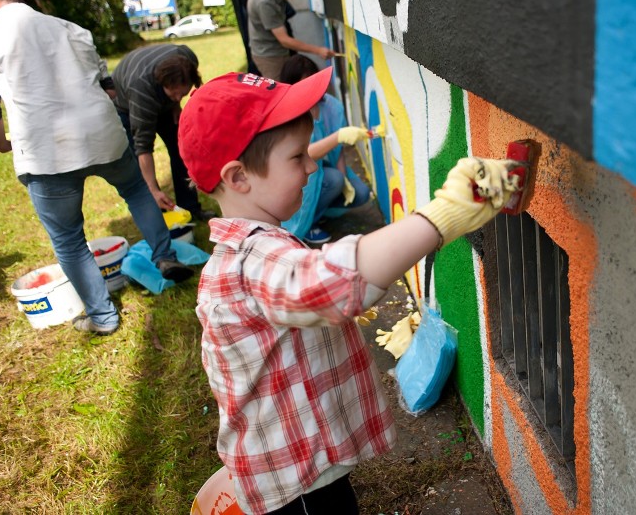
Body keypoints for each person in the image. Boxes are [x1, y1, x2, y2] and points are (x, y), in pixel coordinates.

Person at [176, 67, 525, 514]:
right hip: (295, 483)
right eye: (297, 157)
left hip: (300, 465)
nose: (311, 166)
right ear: (239, 177)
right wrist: (445, 215)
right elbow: (332, 282)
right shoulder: (251, 262)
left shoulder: (253, 248)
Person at [0, 0, 194, 336]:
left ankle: (102, 316)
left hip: (47, 150)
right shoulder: (71, 28)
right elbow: (108, 87)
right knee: (135, 191)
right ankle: (164, 257)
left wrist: (2, 142)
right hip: (104, 134)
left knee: (69, 238)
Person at [111, 43, 215, 221]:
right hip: (127, 107)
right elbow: (143, 147)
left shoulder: (187, 59)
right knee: (140, 165)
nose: (178, 98)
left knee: (182, 151)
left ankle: (190, 209)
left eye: (181, 94)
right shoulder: (141, 89)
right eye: (174, 94)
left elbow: (176, 89)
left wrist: (174, 103)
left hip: (160, 100)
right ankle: (160, 214)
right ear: (162, 84)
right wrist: (153, 188)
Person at [280, 54, 372, 244]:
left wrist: (344, 178)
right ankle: (308, 225)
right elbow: (304, 155)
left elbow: (337, 150)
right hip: (300, 174)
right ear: (290, 86)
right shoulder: (290, 114)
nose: (309, 89)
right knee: (333, 180)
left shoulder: (331, 105)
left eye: (312, 82)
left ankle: (318, 210)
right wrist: (337, 138)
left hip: (324, 169)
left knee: (360, 193)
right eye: (302, 84)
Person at [246, 0, 335, 80]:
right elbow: (284, 40)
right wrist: (318, 50)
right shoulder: (265, 2)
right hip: (269, 55)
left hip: (276, 48)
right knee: (280, 91)